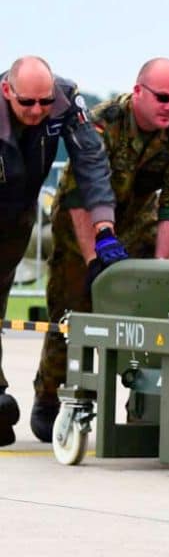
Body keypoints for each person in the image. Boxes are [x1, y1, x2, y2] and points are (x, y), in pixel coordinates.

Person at [29, 58, 169, 442]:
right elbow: (79, 194)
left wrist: (160, 266)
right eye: (163, 98)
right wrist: (94, 261)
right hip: (81, 222)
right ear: (138, 91)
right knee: (71, 310)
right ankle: (52, 397)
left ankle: (144, 403)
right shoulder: (103, 122)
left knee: (149, 315)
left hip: (137, 223)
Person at [0, 56, 122, 447]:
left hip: (17, 214)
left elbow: (90, 161)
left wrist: (104, 228)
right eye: (27, 102)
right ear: (6, 91)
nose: (38, 111)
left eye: (44, 101)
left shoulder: (66, 100)